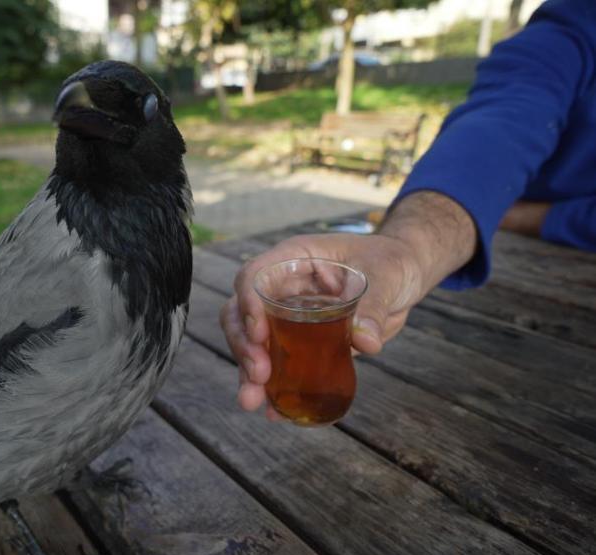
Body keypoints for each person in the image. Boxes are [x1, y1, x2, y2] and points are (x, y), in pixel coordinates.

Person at [220, 0, 596, 419]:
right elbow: (503, 120)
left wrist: (515, 215)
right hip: (522, 310)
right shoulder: (579, 19)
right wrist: (406, 250)